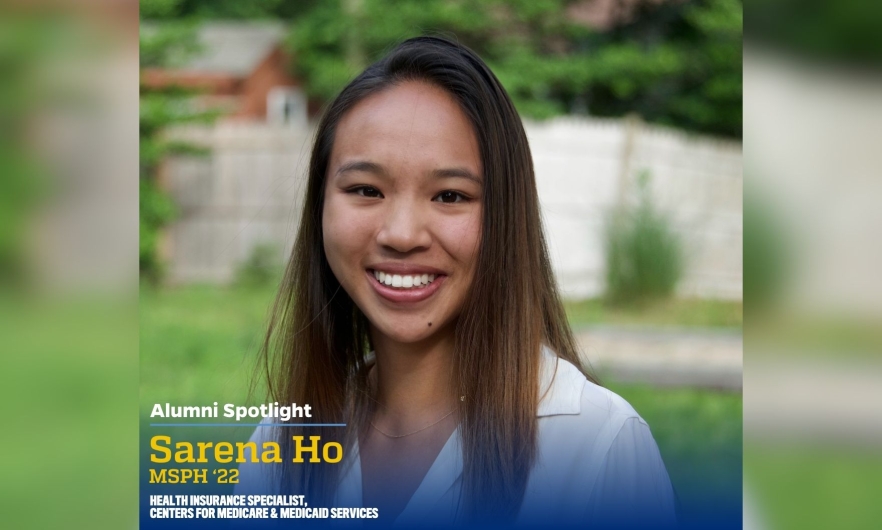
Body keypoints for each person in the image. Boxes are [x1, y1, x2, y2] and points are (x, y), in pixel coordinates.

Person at [238, 36, 677, 528]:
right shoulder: (281, 446)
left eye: (449, 195)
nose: (401, 235)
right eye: (366, 189)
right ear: (320, 206)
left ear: (507, 218)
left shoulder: (596, 447)